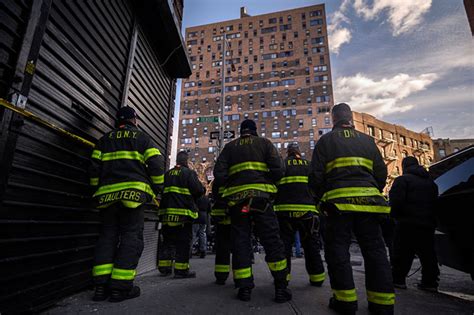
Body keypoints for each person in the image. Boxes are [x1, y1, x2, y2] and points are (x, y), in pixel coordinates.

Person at [309, 103, 394, 315]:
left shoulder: (325, 141)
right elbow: (381, 173)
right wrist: (370, 191)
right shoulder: (368, 141)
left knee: (338, 251)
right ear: (351, 120)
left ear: (333, 119)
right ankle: (382, 304)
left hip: (337, 206)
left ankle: (345, 302)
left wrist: (321, 199)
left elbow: (316, 176)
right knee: (375, 251)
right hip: (370, 206)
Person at [89, 106, 164, 302]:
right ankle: (120, 288)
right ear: (135, 120)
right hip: (133, 197)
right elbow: (156, 166)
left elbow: (94, 169)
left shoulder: (104, 140)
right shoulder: (143, 138)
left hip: (106, 198)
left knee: (107, 237)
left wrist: (96, 191)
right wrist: (156, 190)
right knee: (131, 238)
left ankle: (100, 287)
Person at [213, 119, 291, 303]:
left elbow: (219, 174)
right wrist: (268, 182)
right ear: (255, 131)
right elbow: (279, 170)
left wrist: (228, 190)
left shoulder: (230, 147)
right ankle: (281, 287)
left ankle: (244, 288)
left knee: (240, 242)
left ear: (241, 132)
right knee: (271, 240)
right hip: (261, 199)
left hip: (237, 200)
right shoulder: (265, 143)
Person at [274, 143, 325, 287]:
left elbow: (274, 187)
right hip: (308, 213)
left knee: (284, 248)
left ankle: (283, 278)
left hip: (284, 213)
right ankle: (317, 278)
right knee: (311, 246)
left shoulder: (282, 165)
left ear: (288, 152)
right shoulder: (309, 166)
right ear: (299, 152)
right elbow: (318, 186)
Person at [389, 156, 439, 291]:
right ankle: (430, 283)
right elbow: (436, 204)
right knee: (428, 254)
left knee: (402, 253)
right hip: (427, 224)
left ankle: (398, 280)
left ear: (404, 166)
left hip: (407, 223)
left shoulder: (402, 180)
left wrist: (394, 217)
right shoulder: (431, 183)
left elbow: (396, 202)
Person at [157, 151, 205, 278]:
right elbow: (199, 190)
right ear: (186, 161)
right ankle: (181, 270)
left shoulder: (167, 174)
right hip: (183, 216)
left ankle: (164, 268)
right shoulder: (188, 173)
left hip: (166, 215)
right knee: (183, 243)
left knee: (167, 241)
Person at [210, 185, 232, 285]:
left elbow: (215, 193)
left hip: (221, 215)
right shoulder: (239, 174)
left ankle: (221, 276)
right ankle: (241, 280)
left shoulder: (219, 176)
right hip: (237, 214)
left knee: (222, 247)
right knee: (240, 246)